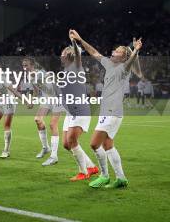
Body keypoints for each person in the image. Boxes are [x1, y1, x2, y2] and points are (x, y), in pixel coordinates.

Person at [70, 30, 143, 189]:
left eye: (118, 51)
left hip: (112, 112)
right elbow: (94, 52)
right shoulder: (109, 64)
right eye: (115, 49)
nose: (113, 52)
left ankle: (104, 176)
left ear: (123, 57)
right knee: (108, 145)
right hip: (108, 112)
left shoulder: (124, 68)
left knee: (94, 144)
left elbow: (130, 63)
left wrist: (136, 50)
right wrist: (80, 39)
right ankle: (121, 178)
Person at [61, 31, 99, 182]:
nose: (61, 54)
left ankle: (83, 172)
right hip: (70, 112)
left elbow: (78, 54)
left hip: (80, 109)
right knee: (66, 144)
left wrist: (74, 42)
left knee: (71, 139)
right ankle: (91, 166)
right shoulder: (65, 71)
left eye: (63, 52)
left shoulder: (76, 66)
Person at [23, 57, 64, 166]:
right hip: (46, 99)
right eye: (23, 65)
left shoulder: (41, 73)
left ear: (32, 65)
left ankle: (54, 156)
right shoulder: (29, 76)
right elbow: (36, 90)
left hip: (56, 98)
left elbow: (53, 80)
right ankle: (46, 148)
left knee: (52, 125)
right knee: (37, 119)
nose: (25, 68)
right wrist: (31, 101)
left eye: (26, 65)